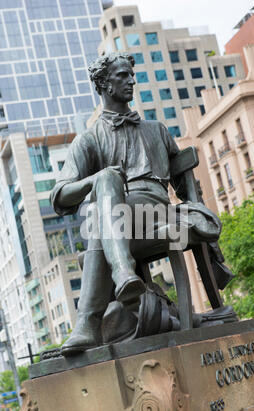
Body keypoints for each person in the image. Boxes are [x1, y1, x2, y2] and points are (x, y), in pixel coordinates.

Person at [50, 52, 219, 356]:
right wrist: (97, 180)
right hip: (125, 232)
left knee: (99, 224)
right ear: (103, 84)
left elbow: (186, 188)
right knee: (105, 187)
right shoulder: (88, 140)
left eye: (131, 74)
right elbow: (60, 195)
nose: (131, 81)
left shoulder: (156, 130)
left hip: (163, 221)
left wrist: (202, 222)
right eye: (122, 76)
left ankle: (90, 319)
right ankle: (124, 275)